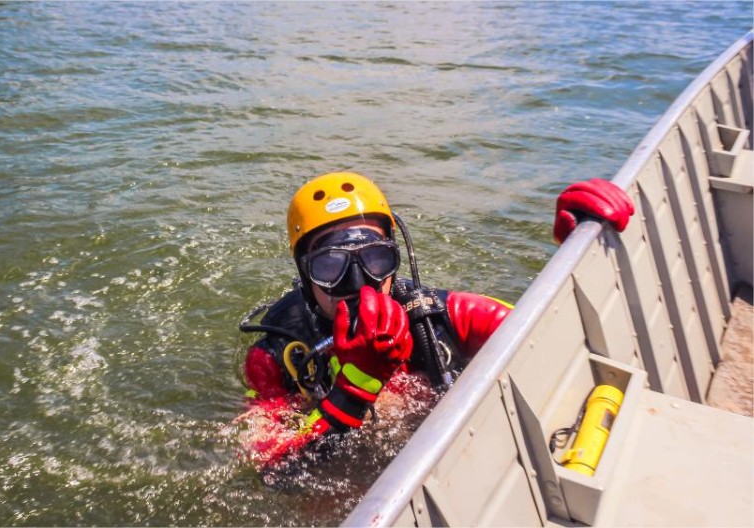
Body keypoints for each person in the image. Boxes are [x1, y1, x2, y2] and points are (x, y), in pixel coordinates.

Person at [238, 171, 633, 470]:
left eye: (375, 259)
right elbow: (268, 467)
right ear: (305, 274)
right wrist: (353, 392)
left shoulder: (443, 316)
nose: (358, 283)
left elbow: (555, 335)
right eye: (330, 266)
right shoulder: (278, 355)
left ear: (395, 257)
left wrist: (577, 254)